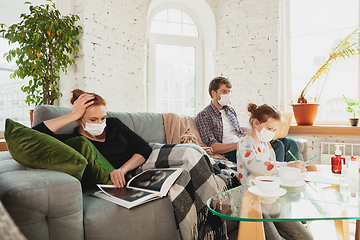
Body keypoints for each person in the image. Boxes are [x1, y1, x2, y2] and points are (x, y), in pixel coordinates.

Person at [32, 89, 152, 188]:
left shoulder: (113, 124)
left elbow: (144, 148)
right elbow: (34, 135)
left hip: (140, 167)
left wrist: (122, 170)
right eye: (93, 120)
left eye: (103, 118)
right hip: (128, 183)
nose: (100, 123)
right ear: (80, 119)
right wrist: (73, 114)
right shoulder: (76, 142)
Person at [238, 103, 313, 240]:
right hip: (254, 201)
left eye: (274, 129)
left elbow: (273, 171)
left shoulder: (266, 145)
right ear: (256, 123)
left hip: (271, 197)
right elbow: (254, 164)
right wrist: (287, 165)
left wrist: (295, 174)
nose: (272, 132)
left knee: (306, 237)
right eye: (269, 128)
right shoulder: (245, 141)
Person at [195, 76, 299, 163]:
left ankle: (294, 177)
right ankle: (273, 179)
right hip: (230, 152)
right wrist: (241, 143)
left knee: (289, 143)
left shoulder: (230, 111)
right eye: (224, 91)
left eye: (229, 91)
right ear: (214, 93)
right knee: (277, 145)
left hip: (244, 143)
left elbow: (239, 132)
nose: (227, 94)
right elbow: (212, 147)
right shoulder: (203, 116)